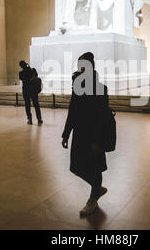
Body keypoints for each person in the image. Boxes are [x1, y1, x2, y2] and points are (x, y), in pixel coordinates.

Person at [61, 52, 109, 216]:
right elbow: (72, 111)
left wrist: (98, 141)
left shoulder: (101, 89)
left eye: (83, 66)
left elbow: (102, 118)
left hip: (94, 136)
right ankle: (97, 187)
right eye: (79, 66)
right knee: (76, 167)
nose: (79, 69)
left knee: (94, 167)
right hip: (80, 134)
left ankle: (93, 199)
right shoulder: (77, 87)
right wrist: (66, 133)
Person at [19, 60, 42, 125]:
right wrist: (29, 66)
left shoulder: (21, 73)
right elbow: (36, 75)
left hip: (26, 90)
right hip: (33, 90)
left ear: (21, 66)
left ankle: (30, 119)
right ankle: (39, 119)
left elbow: (21, 79)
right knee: (36, 105)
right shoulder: (32, 70)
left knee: (27, 105)